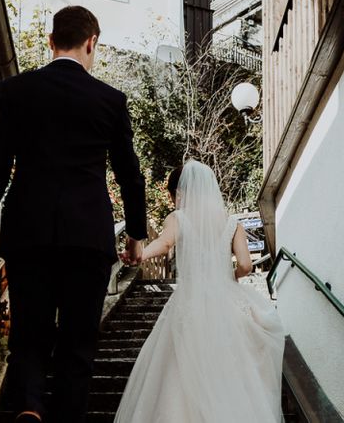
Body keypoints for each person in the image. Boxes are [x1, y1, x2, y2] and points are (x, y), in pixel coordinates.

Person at [0, 5, 147, 423]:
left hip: (29, 234)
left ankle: (28, 405)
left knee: (29, 334)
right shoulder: (110, 101)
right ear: (91, 42)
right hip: (88, 238)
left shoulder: (15, 91)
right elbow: (130, 176)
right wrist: (135, 234)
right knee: (78, 344)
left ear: (50, 41)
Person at [114, 160, 284, 422]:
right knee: (229, 376)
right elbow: (247, 266)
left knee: (179, 376)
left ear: (179, 193)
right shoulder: (232, 223)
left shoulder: (178, 218)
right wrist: (229, 276)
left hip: (189, 305)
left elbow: (164, 242)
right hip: (228, 306)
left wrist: (139, 255)